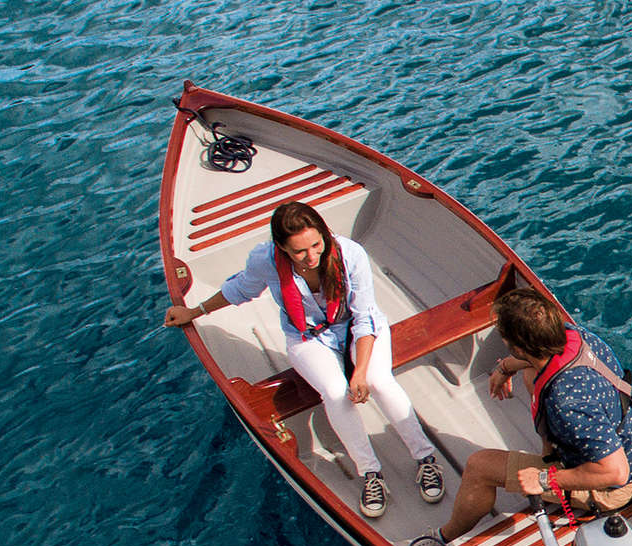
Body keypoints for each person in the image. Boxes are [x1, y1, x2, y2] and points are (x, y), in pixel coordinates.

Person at [164, 201, 444, 518]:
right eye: (299, 252)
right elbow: (241, 289)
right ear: (282, 249)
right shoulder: (264, 260)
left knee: (380, 381)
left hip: (359, 327)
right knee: (336, 393)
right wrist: (195, 311)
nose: (312, 257)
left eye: (316, 245)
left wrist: (361, 371)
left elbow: (365, 318)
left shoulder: (351, 255)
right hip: (307, 336)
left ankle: (425, 458)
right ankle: (370, 473)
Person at [436, 288, 632, 542]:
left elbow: (615, 472)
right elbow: (538, 360)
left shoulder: (568, 403)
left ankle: (443, 538)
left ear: (518, 346)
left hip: (610, 486)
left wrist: (544, 478)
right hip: (628, 444)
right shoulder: (577, 335)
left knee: (479, 467)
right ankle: (550, 455)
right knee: (532, 374)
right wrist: (506, 366)